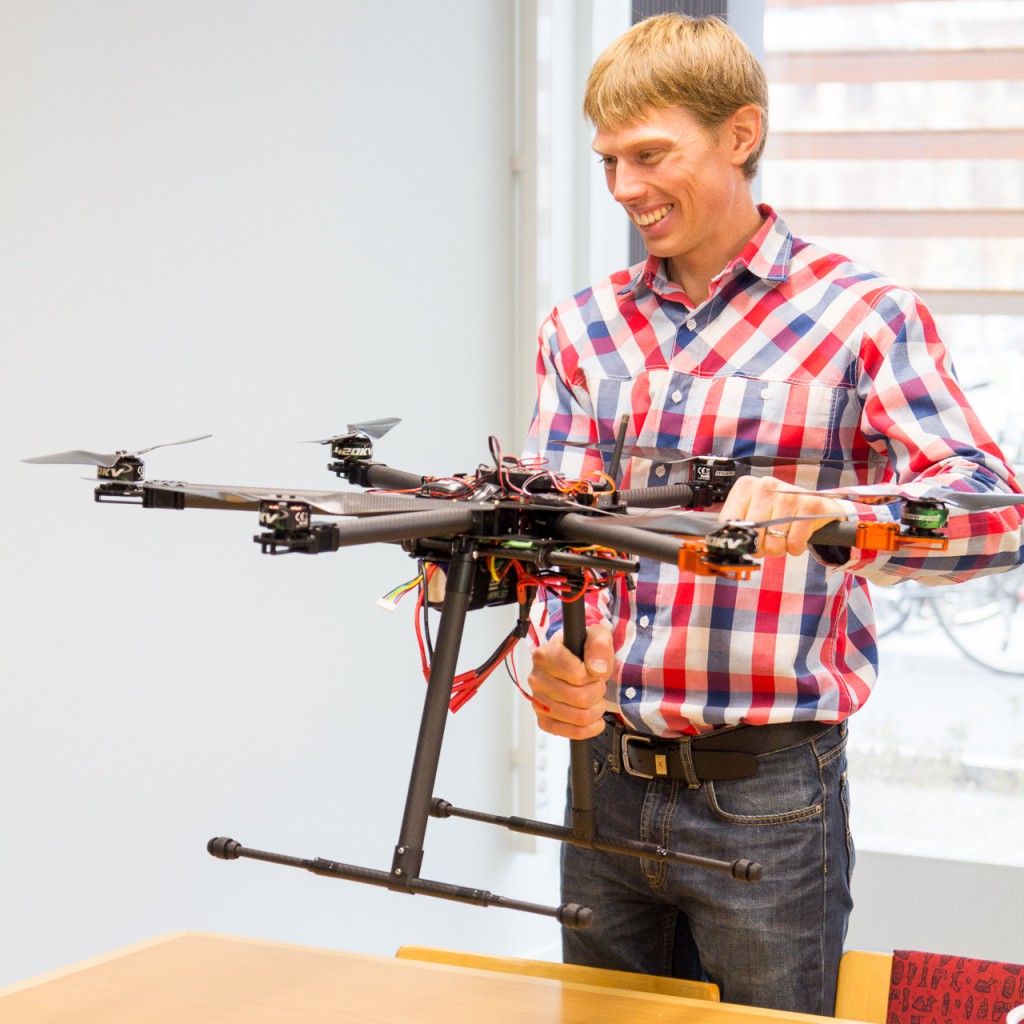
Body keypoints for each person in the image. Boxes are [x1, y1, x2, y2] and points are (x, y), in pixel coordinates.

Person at [523, 13, 1023, 1016]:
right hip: (602, 784)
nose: (624, 188)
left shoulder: (865, 316)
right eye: (609, 160)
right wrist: (559, 652)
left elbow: (996, 513)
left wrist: (840, 514)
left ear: (739, 135)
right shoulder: (580, 330)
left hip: (767, 798)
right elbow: (551, 537)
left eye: (650, 154)